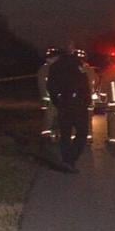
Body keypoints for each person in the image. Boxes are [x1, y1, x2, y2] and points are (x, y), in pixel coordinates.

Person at [47, 45, 91, 173]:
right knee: (82, 133)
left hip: (64, 104)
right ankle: (71, 158)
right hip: (78, 105)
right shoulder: (78, 65)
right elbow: (85, 85)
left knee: (65, 134)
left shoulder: (54, 67)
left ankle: (66, 160)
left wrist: (57, 102)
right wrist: (86, 101)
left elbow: (51, 87)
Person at [75, 49, 98, 144]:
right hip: (88, 99)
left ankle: (75, 137)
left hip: (76, 99)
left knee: (75, 117)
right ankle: (88, 137)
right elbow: (96, 81)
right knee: (88, 119)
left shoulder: (71, 69)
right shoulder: (90, 70)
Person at [37, 47, 60, 140]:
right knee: (49, 117)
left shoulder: (57, 68)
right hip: (49, 99)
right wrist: (45, 98)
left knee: (57, 117)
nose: (57, 59)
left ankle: (55, 134)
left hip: (58, 98)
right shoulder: (44, 69)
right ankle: (47, 135)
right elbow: (42, 85)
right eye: (55, 58)